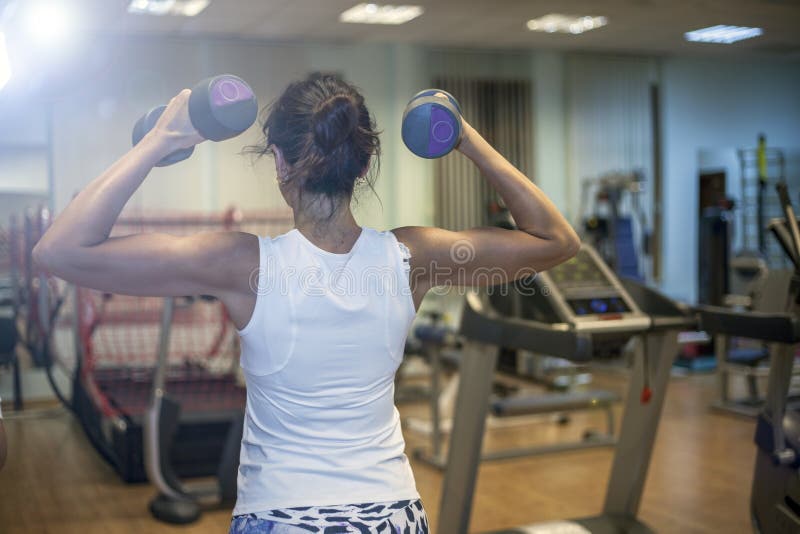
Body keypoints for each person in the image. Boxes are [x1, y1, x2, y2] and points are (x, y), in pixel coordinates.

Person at [33, 73, 579, 533]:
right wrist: (462, 136)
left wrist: (157, 140)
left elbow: (60, 251)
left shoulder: (240, 264)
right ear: (364, 166)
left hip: (283, 515)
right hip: (392, 514)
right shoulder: (416, 257)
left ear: (279, 163)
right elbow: (556, 240)